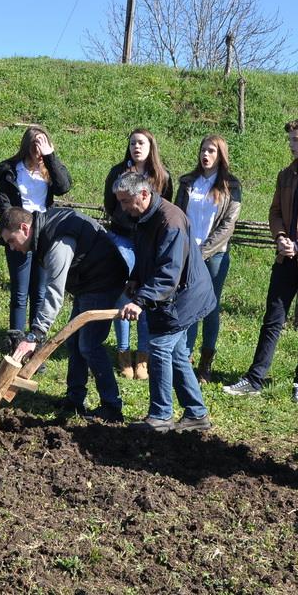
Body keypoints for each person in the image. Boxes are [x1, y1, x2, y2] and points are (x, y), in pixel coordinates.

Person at [223, 119, 298, 405]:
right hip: (284, 256)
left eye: (295, 140)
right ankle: (254, 379)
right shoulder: (285, 175)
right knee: (273, 318)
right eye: (289, 139)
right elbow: (275, 211)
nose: (290, 145)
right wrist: (280, 238)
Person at [3, 206, 130, 422]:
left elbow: (54, 293)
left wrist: (34, 335)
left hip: (102, 281)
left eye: (11, 240)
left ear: (24, 228)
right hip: (88, 281)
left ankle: (112, 406)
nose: (12, 247)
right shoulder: (45, 228)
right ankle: (75, 399)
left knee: (89, 345)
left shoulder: (56, 242)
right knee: (74, 342)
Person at [113, 172, 216, 432]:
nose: (122, 208)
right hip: (174, 295)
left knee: (159, 347)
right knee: (178, 353)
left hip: (185, 296)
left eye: (126, 201)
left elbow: (169, 272)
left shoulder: (171, 221)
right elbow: (147, 255)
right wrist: (136, 278)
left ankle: (161, 415)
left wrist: (140, 301)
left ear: (144, 194)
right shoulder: (143, 217)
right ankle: (196, 413)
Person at [0, 126, 72, 355]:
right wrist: (15, 226)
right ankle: (15, 343)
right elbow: (4, 204)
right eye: (35, 144)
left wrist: (51, 156)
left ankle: (34, 345)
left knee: (40, 291)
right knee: (20, 292)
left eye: (42, 144)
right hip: (20, 233)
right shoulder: (11, 171)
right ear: (27, 145)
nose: (38, 149)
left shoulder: (49, 169)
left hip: (43, 235)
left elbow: (64, 187)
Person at [103, 128, 172, 380]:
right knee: (124, 293)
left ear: (151, 146)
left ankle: (143, 357)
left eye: (141, 143)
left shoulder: (162, 176)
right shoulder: (117, 173)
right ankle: (123, 353)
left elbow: (165, 208)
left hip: (149, 241)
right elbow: (111, 206)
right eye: (132, 143)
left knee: (144, 295)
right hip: (123, 237)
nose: (136, 147)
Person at [174, 134, 241, 383]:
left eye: (211, 151)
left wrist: (203, 253)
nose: (206, 155)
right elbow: (177, 215)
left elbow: (227, 226)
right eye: (203, 150)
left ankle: (206, 361)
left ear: (220, 155)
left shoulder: (231, 187)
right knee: (188, 304)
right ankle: (185, 358)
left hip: (214, 256)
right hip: (187, 252)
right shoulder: (188, 182)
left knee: (210, 306)